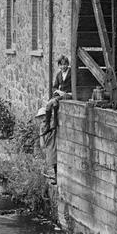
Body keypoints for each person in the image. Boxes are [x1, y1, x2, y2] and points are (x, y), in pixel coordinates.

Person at [38, 55, 72, 184]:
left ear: (68, 64)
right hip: (60, 96)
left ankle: (48, 123)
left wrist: (65, 93)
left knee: (49, 104)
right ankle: (52, 121)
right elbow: (54, 87)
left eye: (65, 64)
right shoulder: (58, 75)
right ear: (58, 65)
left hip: (69, 95)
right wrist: (57, 91)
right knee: (54, 103)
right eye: (61, 64)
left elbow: (75, 85)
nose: (63, 66)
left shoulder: (72, 74)